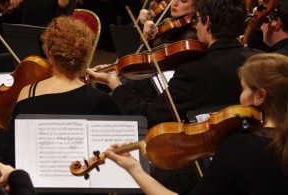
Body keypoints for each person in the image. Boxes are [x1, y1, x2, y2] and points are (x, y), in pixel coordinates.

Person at [86, 0, 262, 193]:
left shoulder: (194, 71)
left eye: (198, 21)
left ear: (208, 22)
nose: (195, 25)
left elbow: (149, 116)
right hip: (256, 161)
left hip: (202, 171)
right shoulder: (260, 61)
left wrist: (115, 84)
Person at [105, 53, 288, 194]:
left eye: (243, 89)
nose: (240, 97)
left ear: (260, 96)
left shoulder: (242, 148)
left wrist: (135, 169)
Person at [0, 16, 124, 168]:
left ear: (48, 54)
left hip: (35, 184)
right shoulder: (102, 101)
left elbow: (13, 152)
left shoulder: (27, 93)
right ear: (86, 55)